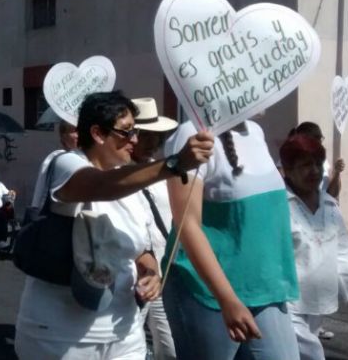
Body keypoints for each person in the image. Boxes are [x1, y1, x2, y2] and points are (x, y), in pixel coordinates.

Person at [14, 91, 214, 360]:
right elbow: (100, 187)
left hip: (124, 333)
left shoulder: (128, 179)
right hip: (60, 336)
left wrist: (150, 272)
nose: (135, 139)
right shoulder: (65, 163)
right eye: (126, 132)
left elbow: (142, 248)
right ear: (97, 133)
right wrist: (174, 163)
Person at [162, 118, 300, 360]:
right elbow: (187, 224)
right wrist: (227, 299)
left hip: (266, 290)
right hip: (207, 293)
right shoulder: (192, 133)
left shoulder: (255, 131)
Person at [279, 134, 348, 360]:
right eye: (305, 165)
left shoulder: (330, 205)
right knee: (313, 354)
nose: (314, 171)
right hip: (285, 305)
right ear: (287, 169)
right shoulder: (278, 205)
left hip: (316, 302)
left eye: (317, 163)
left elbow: (343, 257)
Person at [129, 97, 178, 360]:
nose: (153, 143)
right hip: (135, 274)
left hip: (163, 270)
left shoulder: (163, 171)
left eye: (157, 136)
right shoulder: (119, 176)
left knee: (169, 346)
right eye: (147, 136)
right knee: (131, 344)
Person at [28, 120, 79, 212]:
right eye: (75, 131)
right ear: (63, 136)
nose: (79, 135)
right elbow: (40, 192)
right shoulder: (56, 157)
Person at [290, 122, 345, 200]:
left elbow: (332, 194)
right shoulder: (291, 161)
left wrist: (337, 173)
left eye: (320, 140)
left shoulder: (323, 161)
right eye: (315, 140)